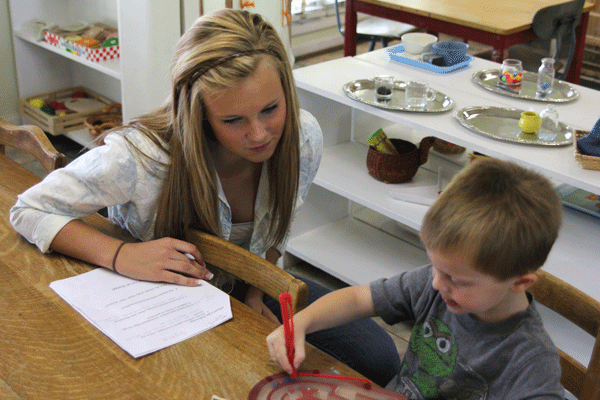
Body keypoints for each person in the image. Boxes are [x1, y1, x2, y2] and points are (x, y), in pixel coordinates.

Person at [10, 9, 399, 386]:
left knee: (378, 357)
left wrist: (255, 289)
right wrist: (121, 255)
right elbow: (28, 208)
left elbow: (273, 238)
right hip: (161, 297)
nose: (260, 134)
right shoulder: (141, 157)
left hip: (246, 284)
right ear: (197, 113)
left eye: (271, 109)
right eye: (233, 120)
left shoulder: (303, 138)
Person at [267, 157, 566, 399]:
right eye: (435, 267)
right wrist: (302, 324)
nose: (437, 283)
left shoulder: (532, 364)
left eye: (456, 279)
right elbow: (358, 299)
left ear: (520, 283)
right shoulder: (435, 285)